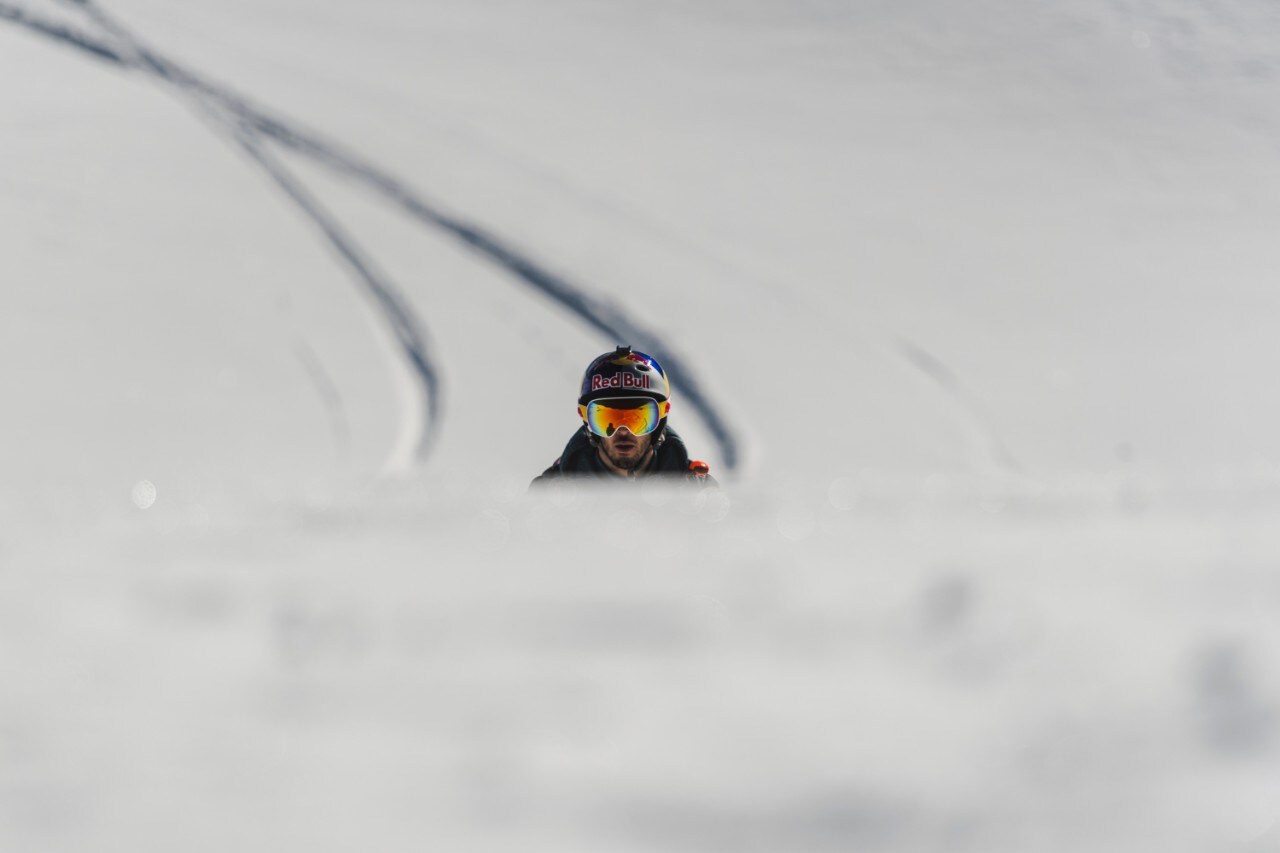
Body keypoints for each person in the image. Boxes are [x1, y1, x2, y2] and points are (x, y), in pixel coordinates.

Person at [532, 346, 717, 486]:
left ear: (661, 417)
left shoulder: (696, 492)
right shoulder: (552, 495)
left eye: (638, 418)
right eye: (607, 419)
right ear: (587, 420)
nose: (622, 432)